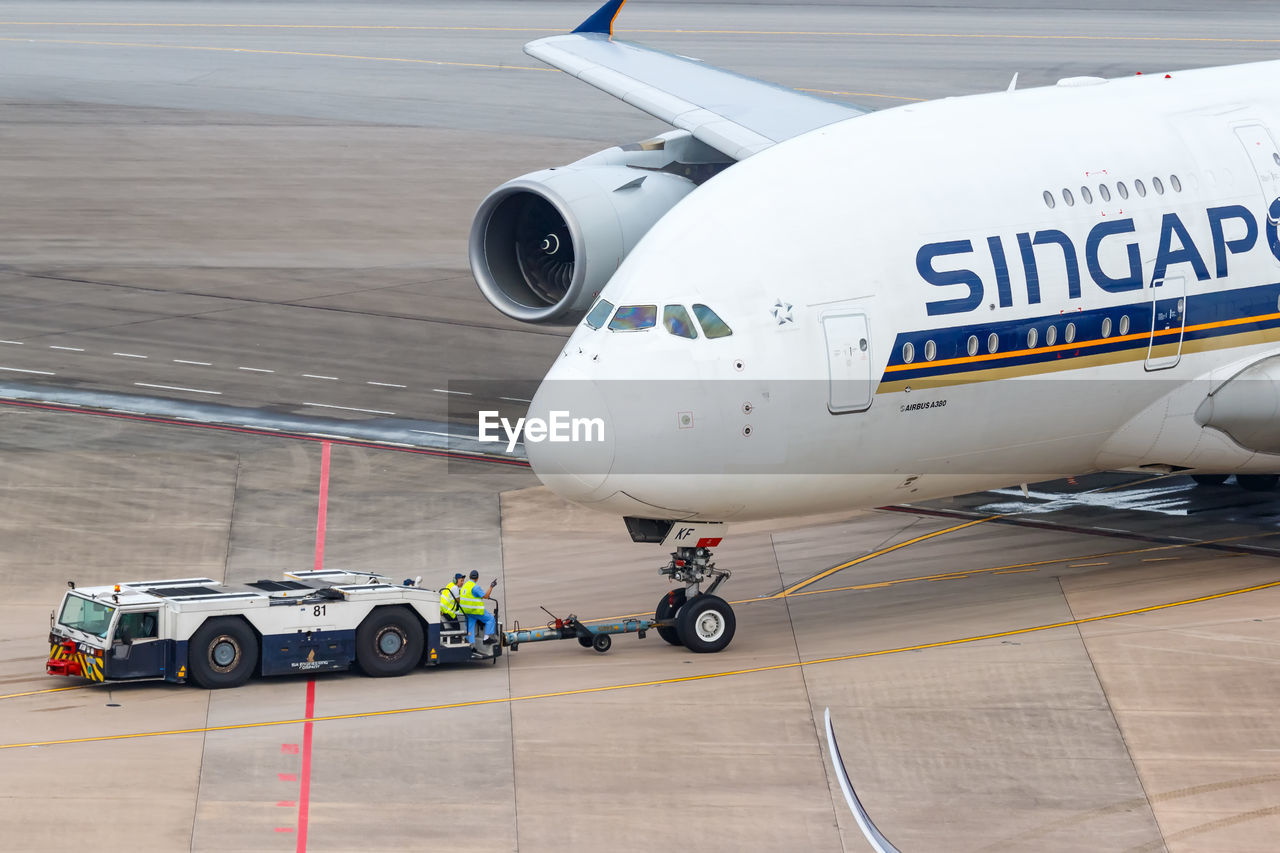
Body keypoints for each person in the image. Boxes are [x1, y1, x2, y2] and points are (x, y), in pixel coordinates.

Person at [459, 569, 497, 644]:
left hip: (466, 611)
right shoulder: (475, 587)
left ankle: (470, 646)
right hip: (475, 611)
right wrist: (491, 586)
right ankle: (486, 638)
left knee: (470, 628)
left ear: (469, 577)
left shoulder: (465, 586)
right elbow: (486, 596)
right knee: (490, 619)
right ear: (477, 578)